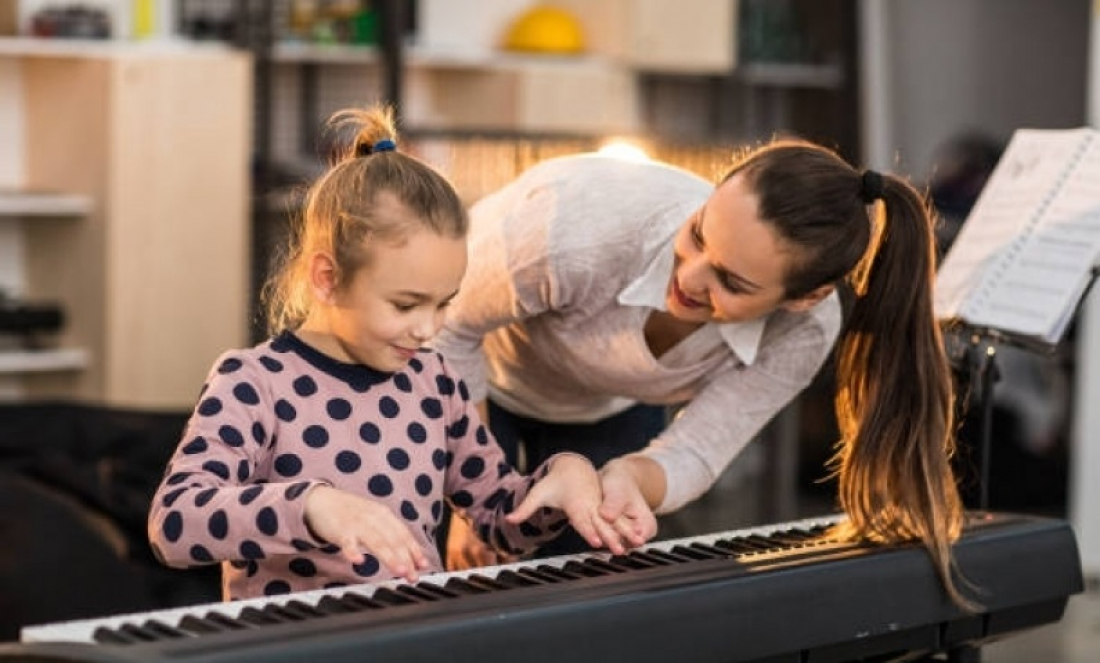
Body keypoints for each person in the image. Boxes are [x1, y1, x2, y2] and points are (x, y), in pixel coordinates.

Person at [432, 141, 973, 608]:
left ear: (804, 298)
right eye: (697, 234)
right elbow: (449, 329)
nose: (688, 276)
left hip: (608, 400)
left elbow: (694, 451)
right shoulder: (577, 230)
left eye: (731, 282)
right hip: (466, 373)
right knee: (458, 581)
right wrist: (479, 497)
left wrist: (630, 479)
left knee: (579, 591)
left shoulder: (804, 332)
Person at [147, 105, 650, 601]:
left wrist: (558, 481)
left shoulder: (434, 382)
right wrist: (313, 506)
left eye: (443, 304)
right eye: (406, 304)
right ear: (328, 279)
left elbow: (500, 518)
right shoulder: (253, 381)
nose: (428, 329)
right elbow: (174, 521)